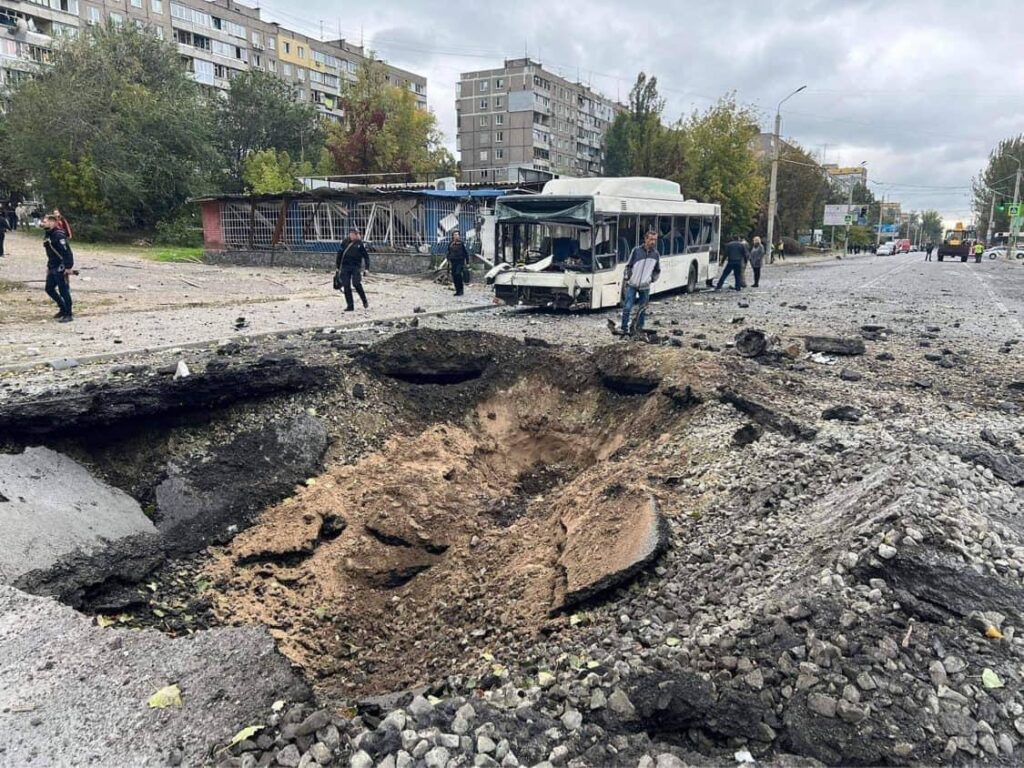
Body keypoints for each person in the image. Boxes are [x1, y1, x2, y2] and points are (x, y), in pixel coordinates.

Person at [619, 229, 661, 334]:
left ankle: (639, 328)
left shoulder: (656, 254)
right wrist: (628, 277)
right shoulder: (636, 251)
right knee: (627, 307)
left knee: (642, 309)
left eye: (655, 240)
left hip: (645, 286)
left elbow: (657, 270)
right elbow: (628, 266)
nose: (653, 242)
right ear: (645, 239)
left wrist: (651, 279)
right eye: (651, 239)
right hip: (632, 284)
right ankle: (624, 328)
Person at [42, 214, 74, 322]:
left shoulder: (58, 235)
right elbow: (50, 253)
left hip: (61, 266)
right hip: (52, 265)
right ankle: (62, 308)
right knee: (49, 288)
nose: (43, 223)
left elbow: (66, 252)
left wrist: (68, 267)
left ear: (52, 222)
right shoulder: (48, 234)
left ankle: (68, 314)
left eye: (45, 221)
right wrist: (48, 266)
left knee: (63, 290)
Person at [335, 228, 369, 311]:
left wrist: (367, 268)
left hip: (356, 267)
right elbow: (339, 254)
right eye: (352, 234)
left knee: (356, 283)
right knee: (346, 286)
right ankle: (350, 306)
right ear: (350, 234)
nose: (354, 235)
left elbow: (366, 256)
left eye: (355, 234)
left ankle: (364, 300)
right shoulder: (345, 242)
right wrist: (337, 268)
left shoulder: (359, 244)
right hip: (345, 267)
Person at [447, 230, 470, 296]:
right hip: (453, 262)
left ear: (459, 236)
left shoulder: (461, 243)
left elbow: (466, 253)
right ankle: (457, 290)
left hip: (460, 261)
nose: (456, 236)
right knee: (454, 276)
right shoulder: (450, 243)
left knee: (458, 274)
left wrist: (467, 262)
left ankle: (461, 290)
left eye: (457, 234)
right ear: (453, 236)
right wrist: (448, 260)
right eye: (455, 234)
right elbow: (449, 252)